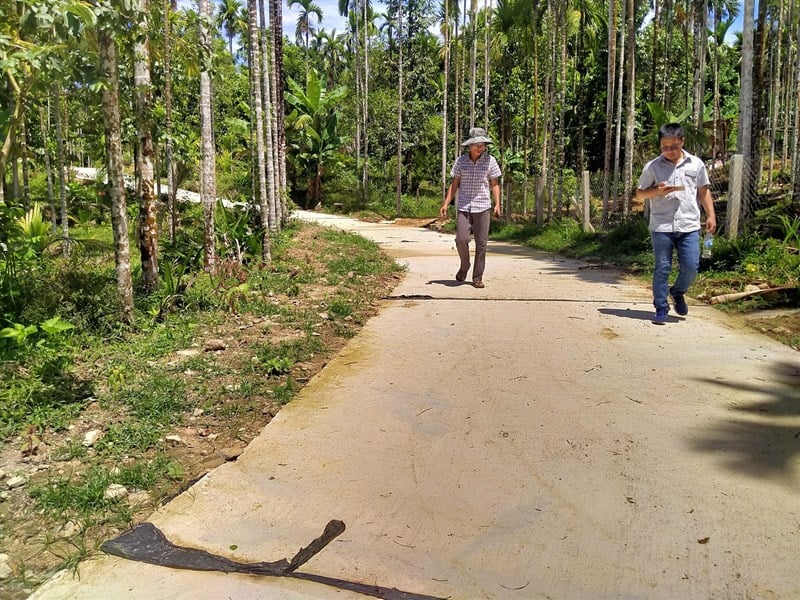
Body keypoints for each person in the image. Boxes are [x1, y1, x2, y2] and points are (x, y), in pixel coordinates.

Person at [636, 122, 717, 324]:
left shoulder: (696, 164)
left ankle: (677, 292)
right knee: (662, 267)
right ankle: (661, 307)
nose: (669, 151)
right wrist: (657, 192)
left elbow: (703, 191)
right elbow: (639, 194)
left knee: (691, 266)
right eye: (665, 147)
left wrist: (710, 215)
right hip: (662, 226)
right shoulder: (652, 167)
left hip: (689, 224)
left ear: (682, 142)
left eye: (674, 147)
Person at [439, 127, 502, 289]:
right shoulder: (461, 161)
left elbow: (494, 184)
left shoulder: (490, 161)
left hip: (483, 206)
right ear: (470, 146)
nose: (480, 148)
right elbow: (454, 184)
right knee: (461, 239)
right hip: (464, 206)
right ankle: (465, 265)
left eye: (483, 145)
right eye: (477, 145)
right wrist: (446, 203)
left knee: (481, 243)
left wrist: (497, 204)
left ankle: (477, 277)